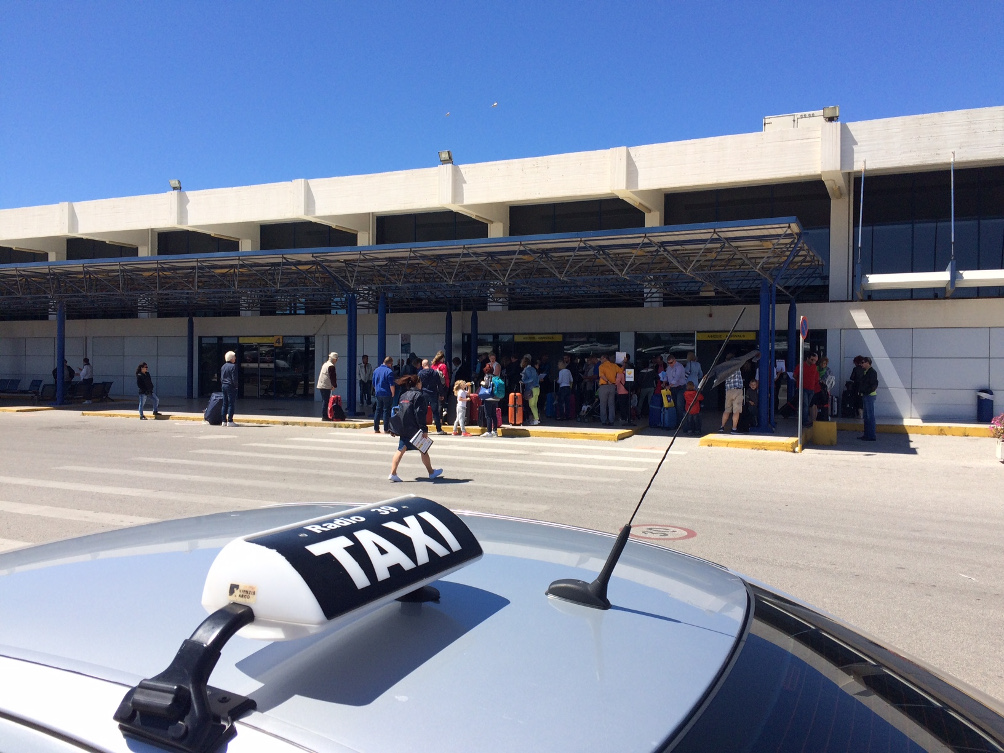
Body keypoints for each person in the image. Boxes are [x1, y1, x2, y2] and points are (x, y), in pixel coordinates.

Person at [388, 374, 443, 482]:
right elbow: (420, 414)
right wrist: (424, 429)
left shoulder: (403, 395)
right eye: (420, 382)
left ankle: (393, 473)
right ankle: (431, 472)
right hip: (414, 428)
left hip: (405, 427)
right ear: (417, 383)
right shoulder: (419, 396)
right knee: (423, 449)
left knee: (401, 450)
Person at [418, 358, 446, 434]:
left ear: (422, 365)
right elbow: (439, 384)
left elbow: (419, 384)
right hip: (433, 393)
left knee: (423, 412)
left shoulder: (420, 373)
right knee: (435, 412)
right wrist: (441, 394)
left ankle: (423, 429)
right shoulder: (435, 373)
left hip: (424, 393)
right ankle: (439, 429)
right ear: (429, 365)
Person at [793, 353, 821, 427]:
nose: (813, 362)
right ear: (807, 358)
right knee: (805, 405)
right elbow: (795, 375)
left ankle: (807, 420)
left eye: (815, 361)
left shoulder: (814, 367)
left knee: (809, 405)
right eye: (812, 360)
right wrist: (799, 382)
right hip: (803, 388)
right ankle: (805, 421)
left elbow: (816, 377)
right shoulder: (801, 365)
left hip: (811, 389)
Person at [720, 354, 744, 434]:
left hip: (728, 391)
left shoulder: (725, 368)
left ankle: (722, 427)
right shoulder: (737, 366)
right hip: (737, 390)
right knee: (736, 411)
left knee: (727, 410)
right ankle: (734, 428)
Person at [372, 355, 396, 434]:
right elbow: (391, 384)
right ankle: (386, 429)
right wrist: (393, 393)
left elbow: (374, 383)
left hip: (378, 393)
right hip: (387, 393)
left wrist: (376, 390)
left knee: (378, 410)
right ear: (390, 363)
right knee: (386, 410)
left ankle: (376, 428)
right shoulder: (389, 371)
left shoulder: (376, 370)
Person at [858, 357, 879, 442]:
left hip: (869, 396)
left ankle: (871, 435)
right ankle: (866, 434)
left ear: (868, 363)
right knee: (866, 417)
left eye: (863, 362)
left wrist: (866, 392)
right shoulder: (865, 372)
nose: (861, 364)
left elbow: (873, 385)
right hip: (865, 395)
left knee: (870, 416)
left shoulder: (872, 372)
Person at [597, 353, 619, 426]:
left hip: (604, 386)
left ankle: (604, 420)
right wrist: (624, 363)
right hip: (612, 386)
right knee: (611, 404)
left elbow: (601, 375)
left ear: (605, 358)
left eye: (601, 358)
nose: (600, 360)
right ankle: (611, 420)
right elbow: (621, 371)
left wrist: (607, 381)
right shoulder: (614, 365)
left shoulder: (601, 366)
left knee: (603, 404)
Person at [662, 354, 687, 418]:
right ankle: (674, 421)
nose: (670, 364)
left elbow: (676, 377)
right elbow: (666, 375)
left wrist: (669, 385)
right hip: (672, 389)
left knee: (679, 405)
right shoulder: (668, 368)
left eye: (671, 362)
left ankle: (680, 421)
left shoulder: (679, 367)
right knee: (673, 405)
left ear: (675, 360)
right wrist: (664, 382)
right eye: (668, 363)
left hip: (680, 388)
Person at [479, 365, 501, 437]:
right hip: (495, 398)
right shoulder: (495, 377)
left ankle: (489, 431)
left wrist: (482, 383)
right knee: (494, 415)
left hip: (488, 397)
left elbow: (486, 385)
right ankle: (495, 431)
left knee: (488, 415)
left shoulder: (487, 376)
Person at [316, 352, 338, 421]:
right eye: (336, 359)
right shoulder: (331, 366)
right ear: (334, 359)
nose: (336, 361)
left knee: (324, 400)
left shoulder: (325, 364)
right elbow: (332, 377)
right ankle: (325, 416)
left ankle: (324, 415)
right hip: (326, 385)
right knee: (326, 401)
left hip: (321, 384)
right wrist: (334, 385)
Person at [520, 355, 540, 425]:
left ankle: (536, 419)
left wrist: (523, 381)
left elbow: (531, 379)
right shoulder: (533, 369)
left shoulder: (527, 370)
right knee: (534, 405)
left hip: (531, 389)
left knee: (531, 405)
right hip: (537, 388)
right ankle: (536, 418)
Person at [220, 351, 238, 426]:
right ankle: (230, 420)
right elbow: (234, 378)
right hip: (230, 386)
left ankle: (223, 420)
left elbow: (221, 377)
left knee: (225, 403)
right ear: (231, 358)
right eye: (234, 357)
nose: (235, 358)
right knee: (231, 403)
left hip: (224, 385)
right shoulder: (233, 366)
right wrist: (236, 386)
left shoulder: (223, 366)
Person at [615, 359, 631, 425]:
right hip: (628, 390)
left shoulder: (620, 373)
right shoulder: (628, 372)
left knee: (622, 406)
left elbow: (616, 382)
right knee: (627, 405)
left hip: (621, 391)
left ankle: (623, 417)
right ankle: (628, 417)